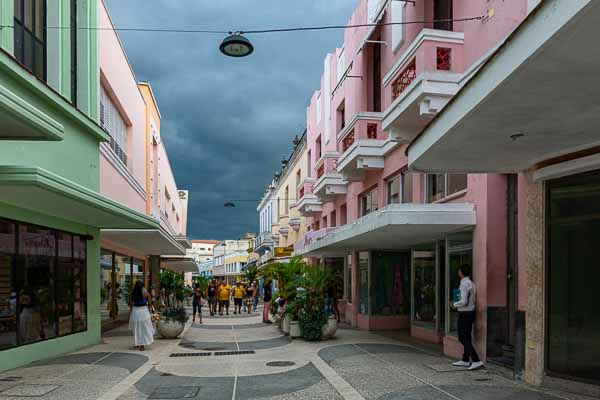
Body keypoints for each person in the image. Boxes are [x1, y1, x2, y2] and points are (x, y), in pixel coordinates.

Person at [451, 265, 484, 370]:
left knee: (462, 337)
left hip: (465, 313)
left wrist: (454, 304)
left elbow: (463, 301)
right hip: (470, 312)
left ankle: (476, 360)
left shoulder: (464, 284)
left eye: (459, 271)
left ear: (461, 272)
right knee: (467, 336)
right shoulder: (471, 284)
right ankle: (465, 359)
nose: (458, 272)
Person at [128, 280, 155, 351]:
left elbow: (130, 302)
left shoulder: (133, 292)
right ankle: (142, 345)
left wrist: (131, 310)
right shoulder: (144, 291)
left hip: (135, 311)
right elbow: (149, 301)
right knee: (144, 328)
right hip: (143, 310)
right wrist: (150, 308)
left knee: (136, 328)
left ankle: (138, 343)